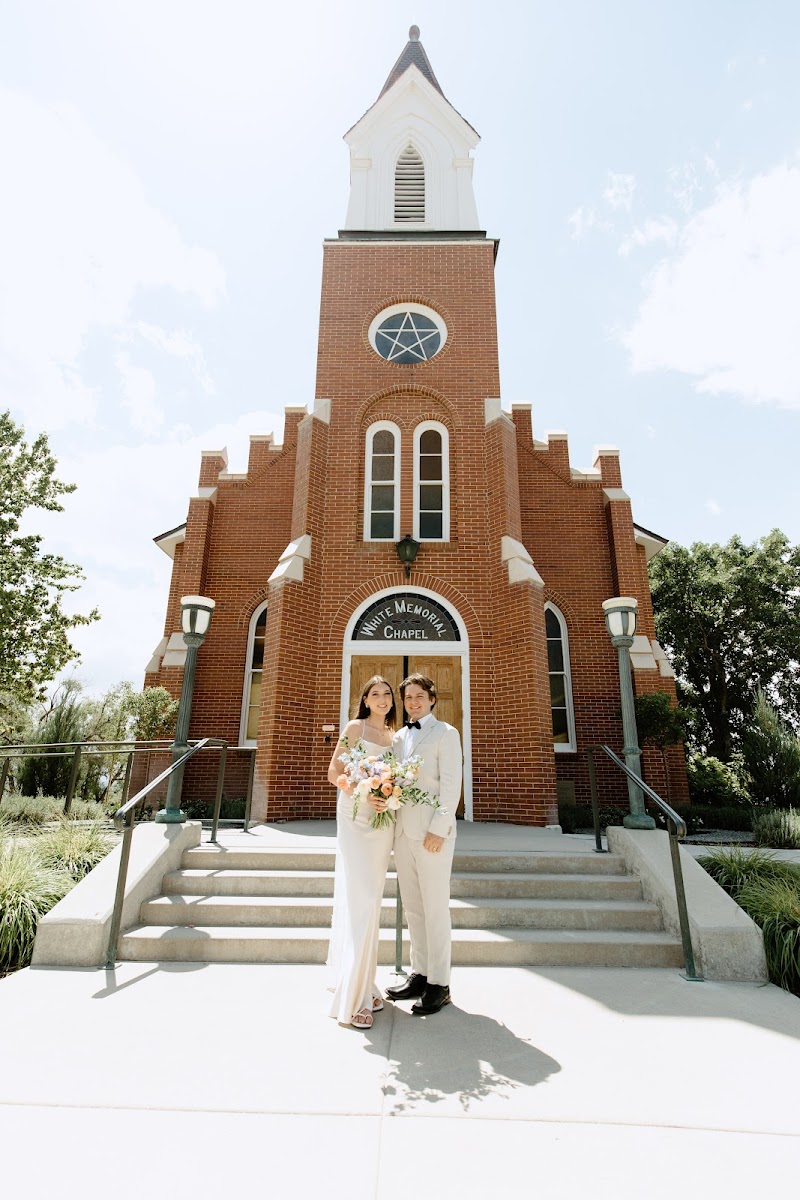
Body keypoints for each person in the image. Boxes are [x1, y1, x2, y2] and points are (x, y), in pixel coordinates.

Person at [386, 673, 462, 1015]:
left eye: (419, 696)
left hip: (433, 835)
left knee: (435, 908)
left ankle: (440, 984)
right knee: (414, 908)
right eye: (408, 697)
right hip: (403, 832)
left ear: (432, 698)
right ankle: (420, 973)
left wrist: (440, 827)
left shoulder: (446, 734)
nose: (413, 702)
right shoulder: (399, 736)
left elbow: (450, 786)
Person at [326, 675, 396, 1029]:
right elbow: (334, 771)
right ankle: (353, 999)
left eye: (387, 693)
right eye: (375, 694)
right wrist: (364, 789)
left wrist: (389, 796)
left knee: (373, 900)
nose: (382, 698)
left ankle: (365, 983)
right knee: (362, 899)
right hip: (355, 816)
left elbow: (400, 780)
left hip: (383, 823)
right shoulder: (355, 728)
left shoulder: (394, 737)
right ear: (365, 700)